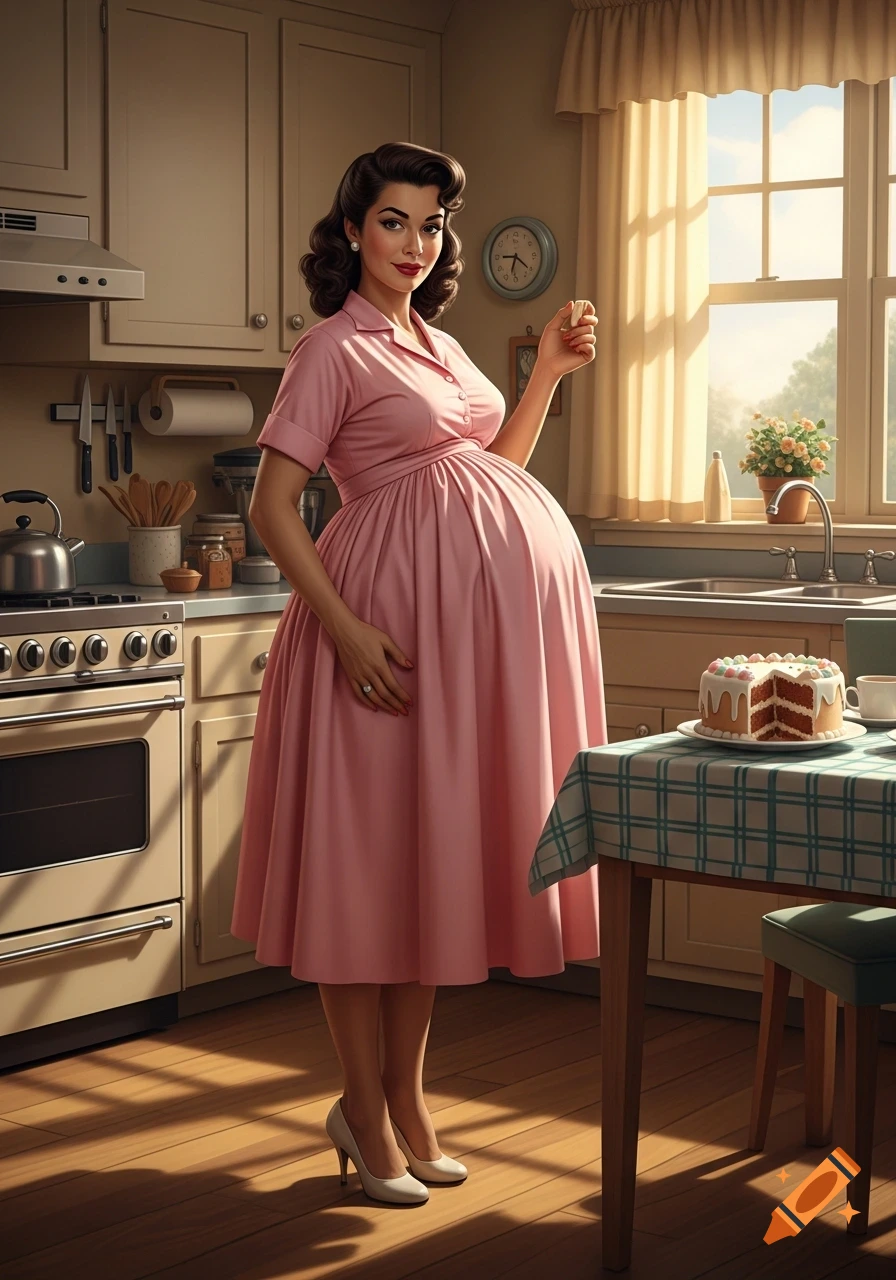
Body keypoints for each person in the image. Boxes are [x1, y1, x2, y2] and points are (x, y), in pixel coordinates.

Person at [230, 141, 605, 1207]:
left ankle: (405, 1099)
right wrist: (345, 631)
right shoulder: (329, 349)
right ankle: (362, 1105)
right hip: (374, 636)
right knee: (365, 879)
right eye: (393, 221)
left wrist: (544, 375)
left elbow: (489, 474)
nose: (414, 242)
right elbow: (272, 507)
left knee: (421, 875)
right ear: (353, 230)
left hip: (450, 652)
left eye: (431, 225)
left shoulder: (440, 345)